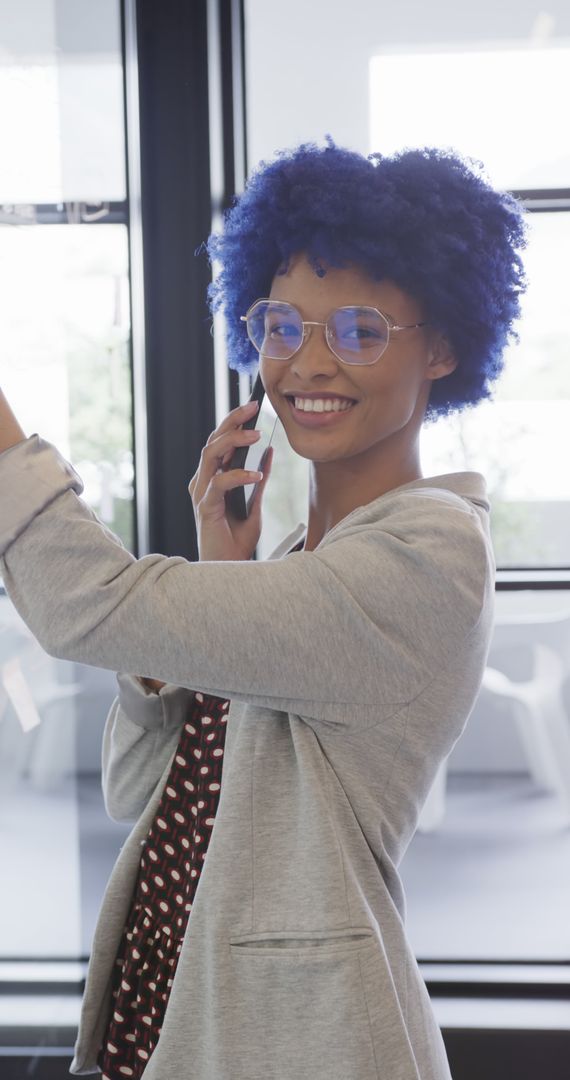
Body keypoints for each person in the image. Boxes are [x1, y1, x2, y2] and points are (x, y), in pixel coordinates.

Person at [0, 139, 526, 1080]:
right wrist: (221, 574)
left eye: (361, 330)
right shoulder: (298, 562)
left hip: (302, 1041)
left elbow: (82, 603)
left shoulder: (427, 557)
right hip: (176, 1015)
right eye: (282, 324)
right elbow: (138, 791)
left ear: (444, 345)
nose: (307, 362)